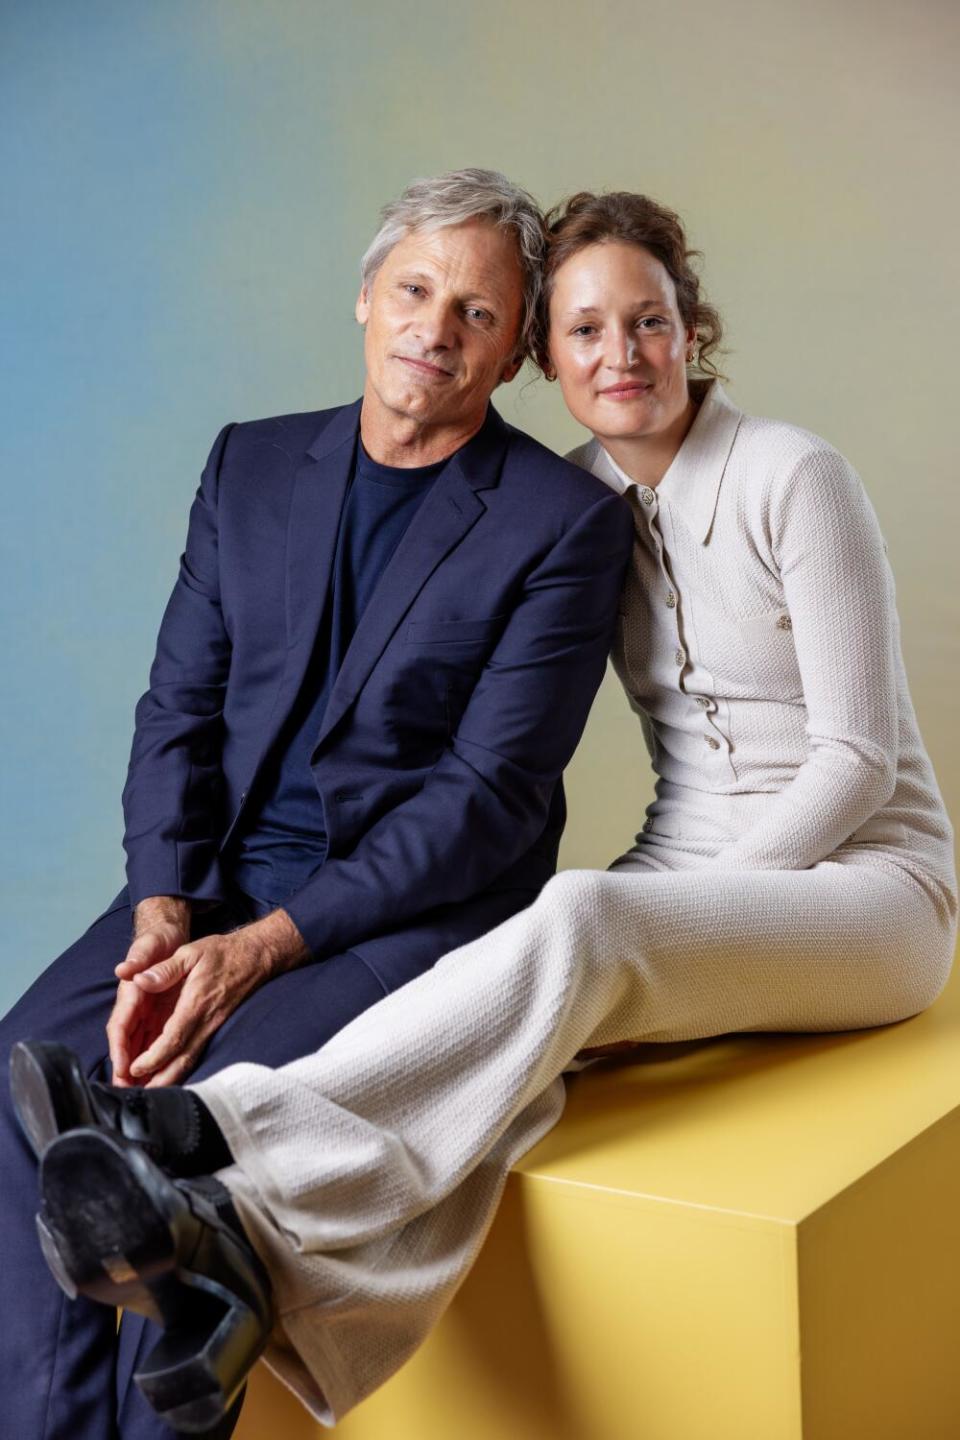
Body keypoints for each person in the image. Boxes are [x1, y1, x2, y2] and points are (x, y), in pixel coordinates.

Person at [15, 190, 957, 1434]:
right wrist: (165, 907)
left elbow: (849, 766)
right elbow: (180, 704)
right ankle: (203, 1313)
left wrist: (654, 909)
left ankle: (213, 1165)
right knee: (516, 1067)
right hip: (664, 874)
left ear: (692, 330)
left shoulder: (773, 479)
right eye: (585, 330)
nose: (620, 354)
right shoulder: (582, 493)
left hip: (866, 879)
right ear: (549, 361)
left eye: (649, 322)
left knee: (573, 935)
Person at [0, 171, 637, 1439]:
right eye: (414, 289)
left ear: (512, 354)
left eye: (476, 312)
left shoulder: (564, 524)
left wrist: (263, 949)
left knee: (184, 1141)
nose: (434, 329)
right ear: (365, 295)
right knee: (23, 1076)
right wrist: (163, 907)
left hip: (407, 911)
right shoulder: (249, 465)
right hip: (212, 879)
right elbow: (177, 707)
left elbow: (488, 801)